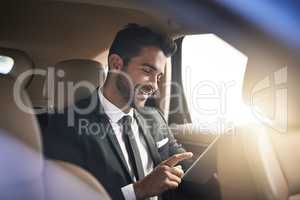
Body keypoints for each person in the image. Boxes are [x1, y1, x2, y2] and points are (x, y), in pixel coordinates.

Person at [42, 24, 219, 200]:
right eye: (147, 70)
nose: (154, 86)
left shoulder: (154, 116)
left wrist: (222, 159)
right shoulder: (66, 124)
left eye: (158, 76)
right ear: (116, 64)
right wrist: (138, 191)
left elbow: (181, 161)